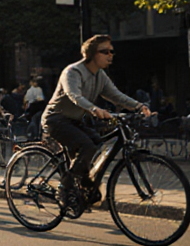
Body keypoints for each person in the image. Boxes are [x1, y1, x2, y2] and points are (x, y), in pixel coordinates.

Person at [42, 35, 152, 207]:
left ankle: (82, 183)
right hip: (56, 119)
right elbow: (74, 95)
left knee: (96, 141)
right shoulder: (73, 72)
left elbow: (116, 95)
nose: (110, 55)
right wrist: (94, 109)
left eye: (112, 51)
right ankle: (65, 187)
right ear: (92, 54)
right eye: (105, 51)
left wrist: (138, 106)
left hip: (75, 120)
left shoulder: (100, 75)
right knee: (88, 145)